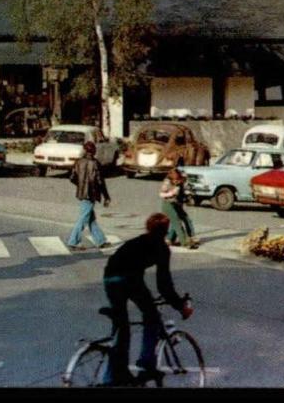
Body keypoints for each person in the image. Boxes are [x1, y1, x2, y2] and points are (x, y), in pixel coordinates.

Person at [101, 212, 193, 386]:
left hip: (110, 278)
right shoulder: (161, 248)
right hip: (130, 280)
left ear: (147, 227)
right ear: (166, 230)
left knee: (122, 327)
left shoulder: (137, 241)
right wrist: (181, 306)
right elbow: (164, 285)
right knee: (151, 317)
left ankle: (114, 375)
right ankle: (146, 363)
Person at [67, 140, 111, 250]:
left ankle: (100, 240)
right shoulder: (95, 163)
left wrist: (81, 185)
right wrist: (106, 196)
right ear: (94, 151)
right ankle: (73, 241)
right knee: (83, 218)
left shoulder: (78, 162)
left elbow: (72, 178)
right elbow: (100, 181)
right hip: (91, 194)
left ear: (84, 150)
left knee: (91, 218)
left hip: (82, 194)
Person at [159, 168, 198, 249]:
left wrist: (188, 194)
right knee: (177, 223)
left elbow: (185, 188)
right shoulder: (167, 182)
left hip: (176, 204)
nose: (177, 182)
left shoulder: (180, 180)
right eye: (176, 180)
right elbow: (161, 194)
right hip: (168, 204)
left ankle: (170, 239)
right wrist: (171, 193)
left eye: (178, 180)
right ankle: (185, 242)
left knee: (183, 219)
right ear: (172, 178)